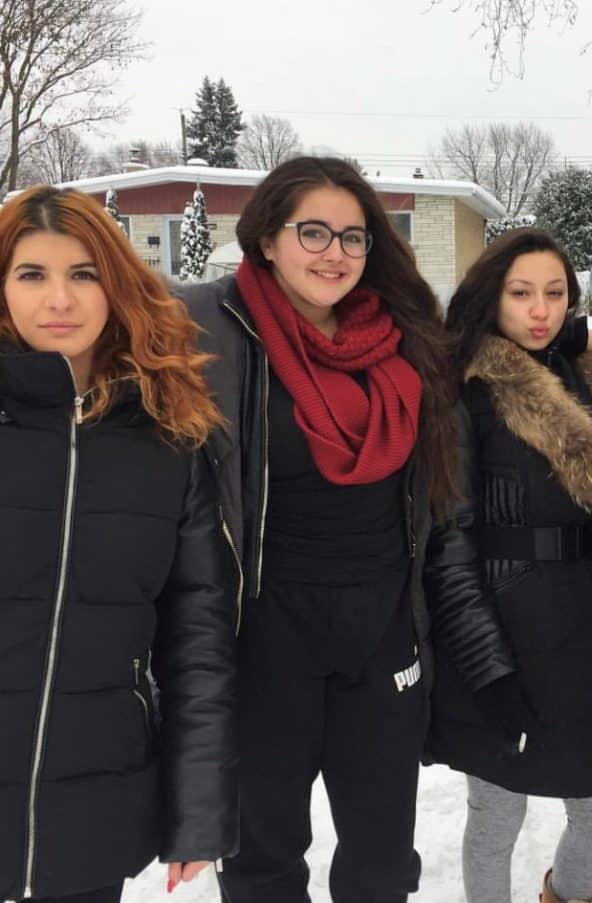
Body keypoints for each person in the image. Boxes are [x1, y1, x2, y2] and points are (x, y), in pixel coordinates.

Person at [180, 156, 459, 903]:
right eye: (314, 232)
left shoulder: (402, 337)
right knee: (264, 858)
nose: (335, 253)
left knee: (381, 860)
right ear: (267, 238)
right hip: (268, 634)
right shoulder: (210, 326)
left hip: (383, 629)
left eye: (353, 237)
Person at [0, 186, 238, 903]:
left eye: (83, 273)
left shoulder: (172, 438)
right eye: (31, 274)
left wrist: (196, 808)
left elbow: (196, 638)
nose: (59, 299)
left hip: (94, 806)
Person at [424, 227, 592, 903]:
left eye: (555, 294)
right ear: (493, 298)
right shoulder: (466, 392)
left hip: (586, 626)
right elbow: (451, 546)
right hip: (502, 623)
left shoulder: (588, 375)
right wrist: (489, 672)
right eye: (521, 293)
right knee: (497, 811)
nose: (539, 309)